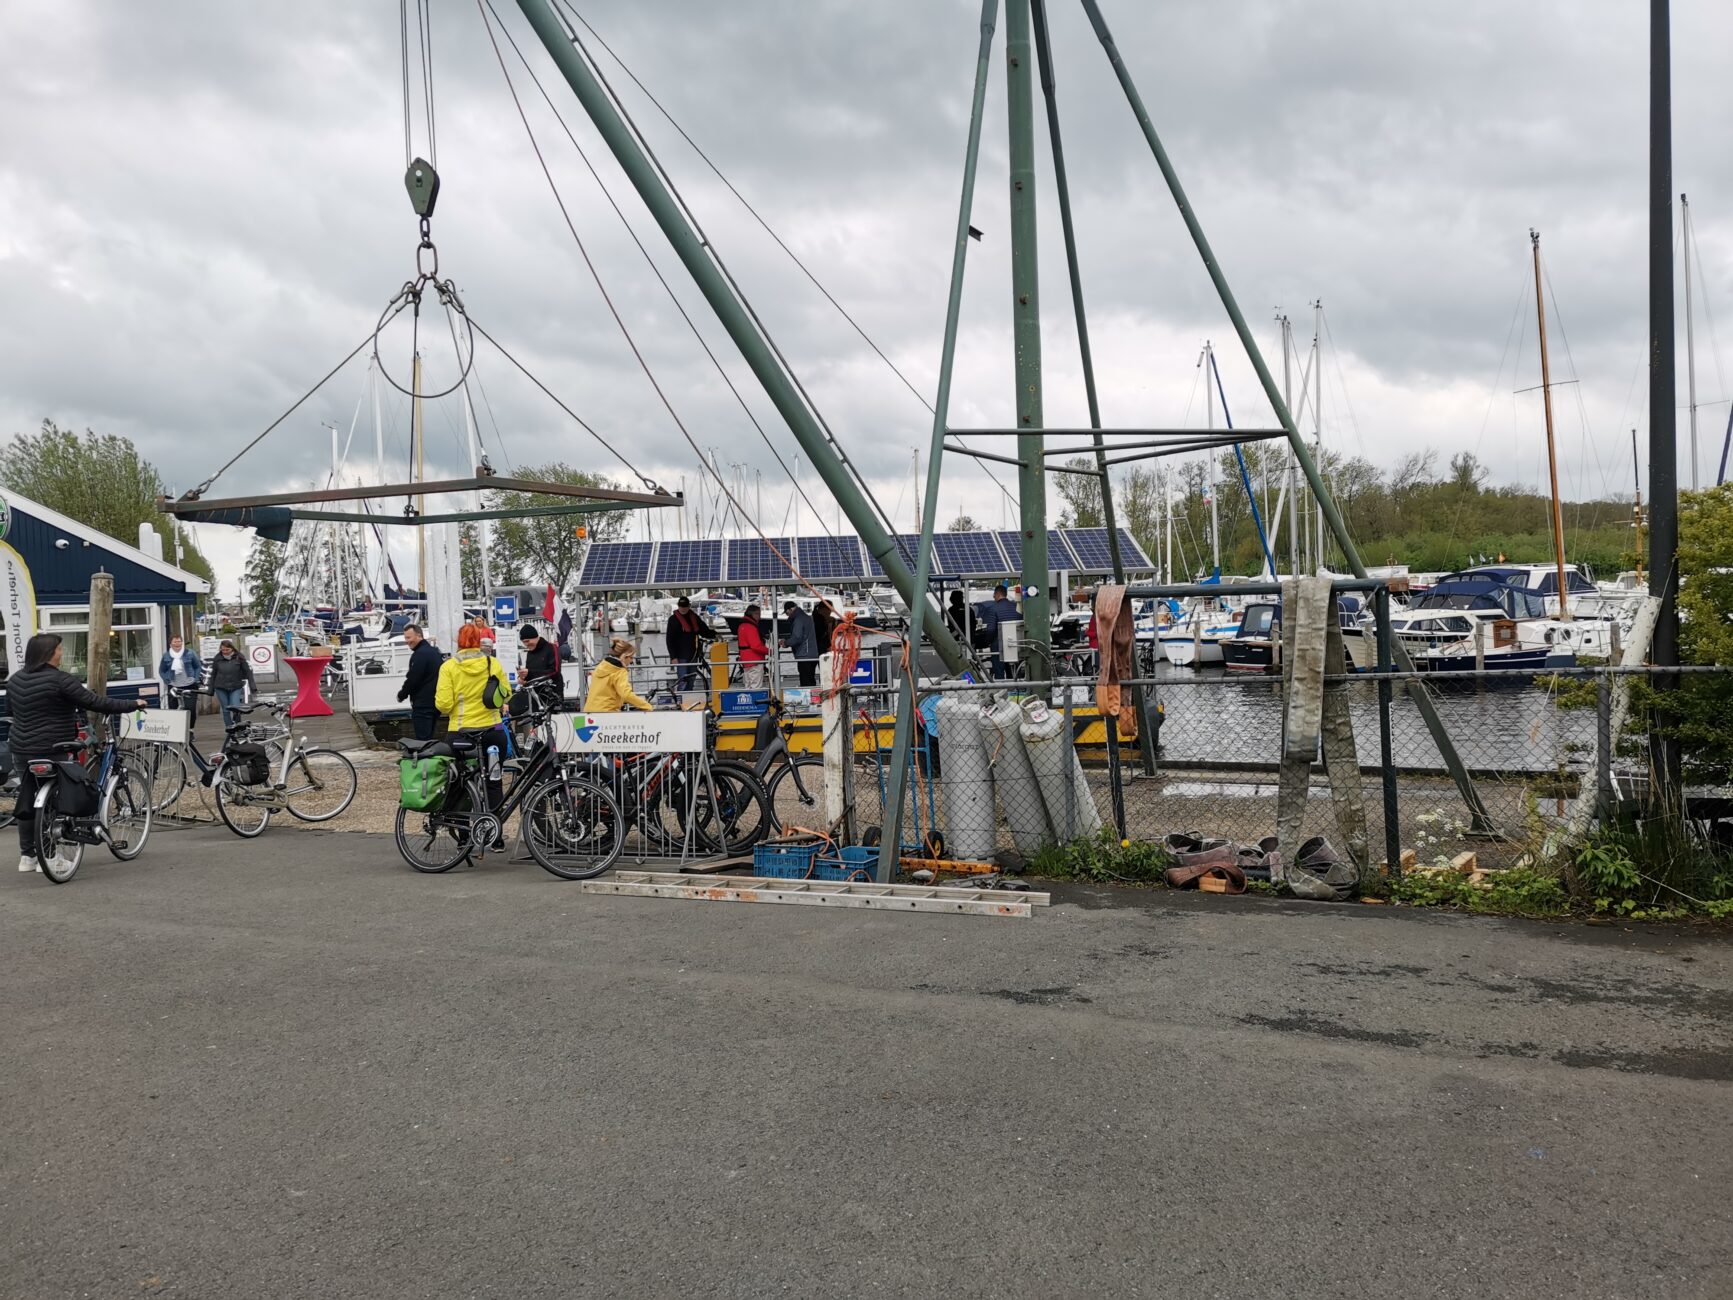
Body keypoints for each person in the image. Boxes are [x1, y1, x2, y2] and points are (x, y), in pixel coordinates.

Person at [10, 632, 136, 873]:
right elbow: (95, 702)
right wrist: (132, 704)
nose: (61, 653)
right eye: (58, 649)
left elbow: (14, 711)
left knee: (28, 799)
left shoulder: (16, 680)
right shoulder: (60, 680)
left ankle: (28, 856)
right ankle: (50, 856)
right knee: (55, 802)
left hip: (21, 749)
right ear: (49, 654)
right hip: (53, 748)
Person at [434, 623, 513, 821]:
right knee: (494, 781)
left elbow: (443, 705)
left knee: (459, 783)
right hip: (493, 731)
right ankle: (496, 835)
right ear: (478, 641)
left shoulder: (448, 667)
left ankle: (463, 838)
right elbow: (506, 695)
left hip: (461, 733)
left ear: (459, 642)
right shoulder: (491, 663)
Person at [396, 624, 443, 740]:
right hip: (435, 701)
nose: (407, 641)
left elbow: (413, 678)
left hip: (423, 703)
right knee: (429, 737)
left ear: (419, 636)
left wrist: (402, 694)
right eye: (405, 638)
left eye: (409, 638)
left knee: (423, 740)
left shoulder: (420, 654)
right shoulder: (434, 652)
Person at [664, 596, 716, 694]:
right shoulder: (673, 619)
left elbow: (704, 631)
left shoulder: (694, 617)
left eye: (685, 606)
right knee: (682, 680)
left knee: (691, 679)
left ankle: (689, 698)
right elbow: (669, 640)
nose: (683, 608)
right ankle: (681, 700)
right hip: (680, 656)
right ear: (678, 606)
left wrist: (715, 634)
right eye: (681, 606)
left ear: (689, 606)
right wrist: (673, 657)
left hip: (694, 654)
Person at [585, 638, 653, 712]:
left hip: (589, 711)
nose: (631, 661)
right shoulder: (619, 671)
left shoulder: (601, 666)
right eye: (631, 657)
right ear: (624, 656)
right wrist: (647, 706)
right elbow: (626, 694)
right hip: (607, 713)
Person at [158, 634, 205, 731]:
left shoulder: (190, 653)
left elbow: (197, 666)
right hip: (174, 686)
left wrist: (195, 678)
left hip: (189, 685)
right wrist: (167, 680)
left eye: (179, 641)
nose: (177, 643)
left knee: (190, 708)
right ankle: (177, 730)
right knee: (174, 709)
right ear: (170, 643)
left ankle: (190, 730)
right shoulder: (166, 655)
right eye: (175, 641)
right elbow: (161, 670)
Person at [207, 639, 256, 731]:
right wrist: (210, 689)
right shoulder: (217, 658)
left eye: (227, 650)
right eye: (223, 650)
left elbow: (248, 672)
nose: (225, 652)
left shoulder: (239, 657)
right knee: (226, 710)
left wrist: (253, 686)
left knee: (236, 708)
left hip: (235, 686)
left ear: (232, 649)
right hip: (220, 687)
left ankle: (238, 727)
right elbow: (213, 674)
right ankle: (230, 730)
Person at [980, 585, 1022, 679]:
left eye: (994, 595)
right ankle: (1015, 690)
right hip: (1014, 646)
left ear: (998, 594)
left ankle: (1002, 691)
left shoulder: (992, 609)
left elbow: (990, 630)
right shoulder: (1016, 608)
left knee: (999, 674)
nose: (993, 597)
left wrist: (987, 642)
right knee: (1014, 674)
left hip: (998, 647)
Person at [518, 622, 562, 709]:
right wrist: (523, 678)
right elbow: (530, 674)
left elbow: (555, 671)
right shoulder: (530, 653)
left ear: (535, 637)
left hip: (552, 694)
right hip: (535, 696)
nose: (526, 644)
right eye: (523, 642)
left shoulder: (551, 648)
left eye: (527, 641)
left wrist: (529, 673)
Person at [782, 601, 820, 687]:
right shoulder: (806, 617)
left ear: (790, 610)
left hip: (804, 655)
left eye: (787, 613)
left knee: (805, 681)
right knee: (811, 679)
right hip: (812, 653)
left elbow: (797, 638)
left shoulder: (798, 619)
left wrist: (786, 643)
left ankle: (808, 699)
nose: (787, 615)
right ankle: (813, 697)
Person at [736, 604, 768, 689]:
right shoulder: (750, 627)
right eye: (758, 614)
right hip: (754, 661)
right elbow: (756, 646)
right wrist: (769, 651)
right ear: (753, 614)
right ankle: (755, 702)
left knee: (748, 685)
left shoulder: (741, 625)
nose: (760, 617)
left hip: (746, 661)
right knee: (756, 686)